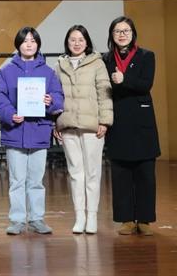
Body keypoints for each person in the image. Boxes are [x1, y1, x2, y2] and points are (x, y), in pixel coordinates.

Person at [0, 26, 64, 235]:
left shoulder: (48, 72)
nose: (29, 44)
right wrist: (10, 114)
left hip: (39, 131)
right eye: (25, 41)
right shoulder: (7, 71)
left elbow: (58, 96)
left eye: (33, 40)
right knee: (16, 181)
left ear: (38, 44)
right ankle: (16, 220)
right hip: (15, 132)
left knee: (36, 181)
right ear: (18, 45)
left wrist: (51, 101)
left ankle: (37, 219)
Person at [103, 16, 160, 236]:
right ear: (112, 35)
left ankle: (144, 220)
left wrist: (123, 79)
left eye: (126, 30)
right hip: (118, 120)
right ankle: (126, 219)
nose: (122, 34)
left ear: (133, 33)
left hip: (142, 120)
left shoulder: (147, 56)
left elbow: (146, 84)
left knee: (145, 173)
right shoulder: (106, 59)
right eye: (117, 31)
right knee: (121, 173)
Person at [53, 25, 113, 234]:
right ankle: (80, 217)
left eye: (80, 39)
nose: (76, 43)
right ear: (67, 42)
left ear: (87, 42)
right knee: (75, 173)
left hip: (92, 128)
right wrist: (55, 122)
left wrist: (105, 121)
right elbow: (55, 95)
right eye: (72, 40)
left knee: (93, 173)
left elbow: (104, 93)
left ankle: (92, 216)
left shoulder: (97, 63)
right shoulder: (59, 65)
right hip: (68, 126)